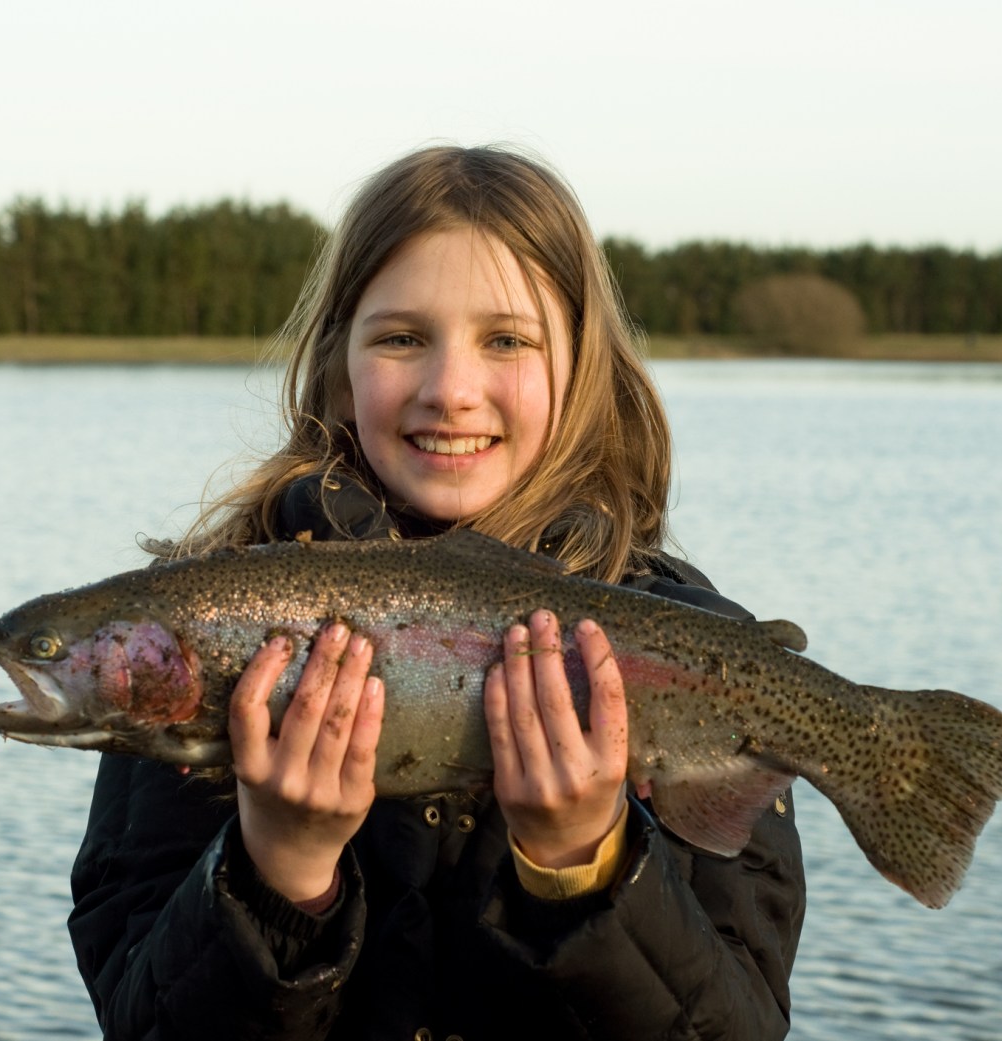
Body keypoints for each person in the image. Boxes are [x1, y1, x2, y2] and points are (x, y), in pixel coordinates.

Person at [67, 145, 806, 1040]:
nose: (451, 389)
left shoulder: (703, 649)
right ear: (339, 366)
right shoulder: (207, 626)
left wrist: (587, 861)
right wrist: (280, 870)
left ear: (581, 372)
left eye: (507, 340)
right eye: (402, 338)